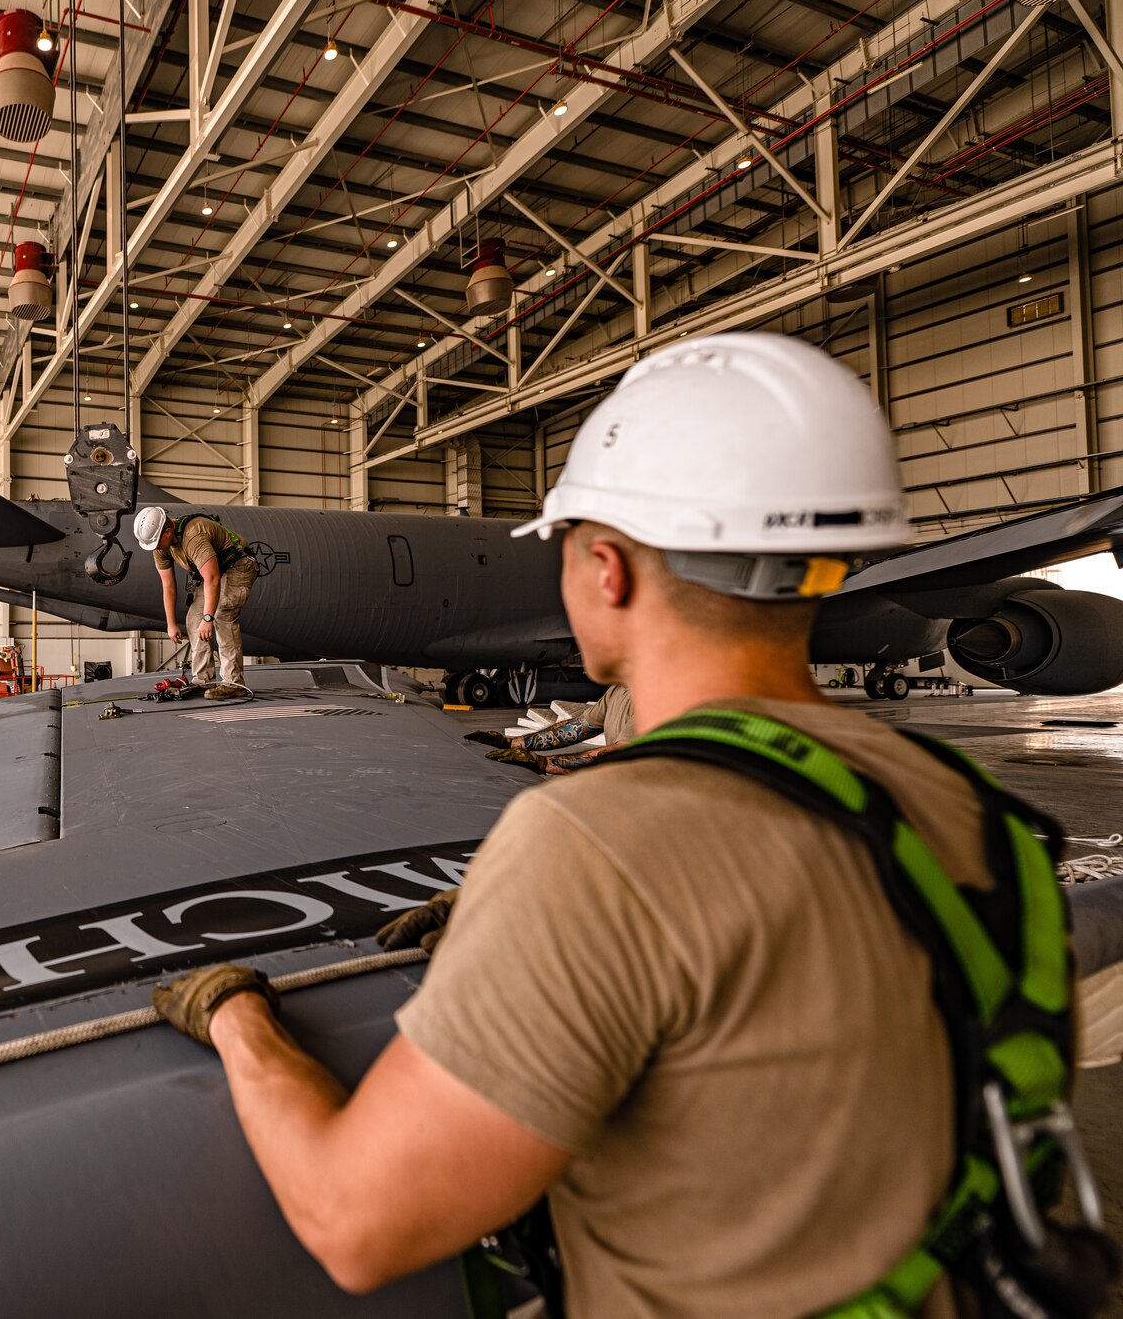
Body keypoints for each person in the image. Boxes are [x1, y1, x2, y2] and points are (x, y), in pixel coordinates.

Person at [148, 334, 1104, 1315]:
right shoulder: (973, 809)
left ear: (605, 568)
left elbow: (356, 1221)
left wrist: (237, 1017)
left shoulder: (597, 843)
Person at [134, 504, 258, 700]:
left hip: (238, 565)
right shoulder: (160, 546)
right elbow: (169, 586)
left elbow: (213, 578)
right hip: (216, 571)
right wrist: (171, 624)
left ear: (168, 531)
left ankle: (234, 683)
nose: (155, 548)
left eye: (157, 542)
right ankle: (202, 679)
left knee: (222, 614)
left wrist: (208, 618)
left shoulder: (194, 536)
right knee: (194, 618)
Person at [468, 682, 634, 774]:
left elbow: (622, 754)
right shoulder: (620, 689)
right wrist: (511, 743)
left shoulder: (653, 699)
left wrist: (542, 762)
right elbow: (579, 728)